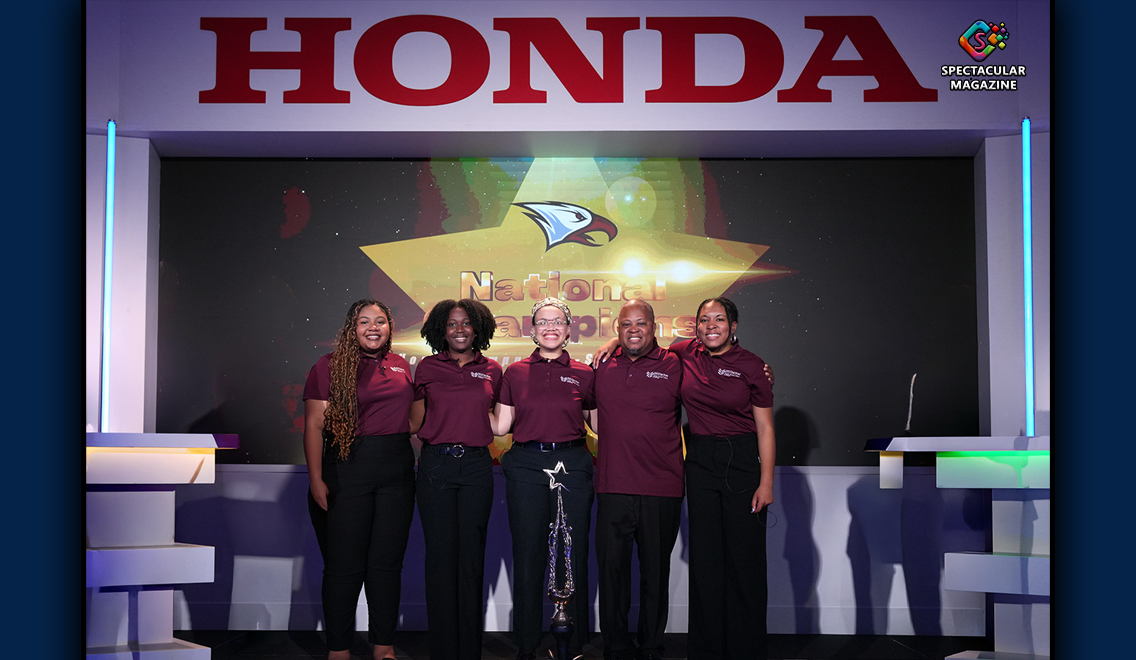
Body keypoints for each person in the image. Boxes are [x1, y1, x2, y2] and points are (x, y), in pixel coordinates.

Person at [592, 296, 776, 660]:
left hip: (733, 464)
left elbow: (766, 428)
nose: (711, 326)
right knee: (705, 563)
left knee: (742, 561)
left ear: (733, 326)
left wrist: (766, 482)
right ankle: (705, 649)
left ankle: (741, 648)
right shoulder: (684, 353)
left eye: (719, 319)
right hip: (699, 463)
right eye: (705, 320)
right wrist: (612, 343)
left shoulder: (747, 365)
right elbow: (632, 339)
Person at [303, 300, 416, 660]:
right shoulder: (328, 366)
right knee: (343, 567)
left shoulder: (401, 365)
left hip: (397, 471)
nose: (373, 327)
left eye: (380, 321)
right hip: (347, 469)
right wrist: (316, 478)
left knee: (386, 565)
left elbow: (413, 418)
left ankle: (383, 647)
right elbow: (314, 425)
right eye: (364, 321)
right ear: (352, 327)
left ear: (389, 326)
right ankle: (339, 650)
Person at [491, 297, 597, 660]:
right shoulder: (515, 373)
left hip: (573, 463)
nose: (550, 327)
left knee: (574, 550)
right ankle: (527, 642)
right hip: (525, 465)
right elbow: (502, 425)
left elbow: (599, 424)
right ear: (532, 330)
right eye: (542, 321)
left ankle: (576, 640)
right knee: (528, 554)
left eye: (557, 321)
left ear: (569, 330)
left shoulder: (585, 373)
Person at [589, 300, 684, 660]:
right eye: (625, 324)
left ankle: (651, 646)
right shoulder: (601, 365)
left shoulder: (676, 363)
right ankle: (615, 646)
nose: (633, 330)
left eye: (640, 323)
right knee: (611, 573)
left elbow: (708, 354)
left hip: (662, 488)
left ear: (654, 326)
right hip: (613, 485)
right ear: (617, 329)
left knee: (655, 575)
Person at [408, 299, 502, 660]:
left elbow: (500, 421)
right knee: (440, 560)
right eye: (451, 324)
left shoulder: (493, 370)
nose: (459, 330)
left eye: (466, 323)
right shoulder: (427, 368)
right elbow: (413, 422)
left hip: (477, 468)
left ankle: (469, 651)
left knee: (471, 559)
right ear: (440, 331)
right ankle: (444, 651)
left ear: (477, 328)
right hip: (436, 468)